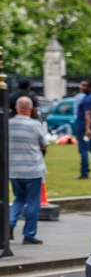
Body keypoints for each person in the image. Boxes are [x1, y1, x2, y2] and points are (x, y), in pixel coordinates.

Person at [8, 96, 48, 245]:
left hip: (14, 169)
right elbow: (44, 144)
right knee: (32, 202)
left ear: (17, 108)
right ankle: (29, 234)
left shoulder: (8, 124)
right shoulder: (35, 125)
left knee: (18, 199)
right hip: (33, 169)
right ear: (30, 109)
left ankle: (10, 223)